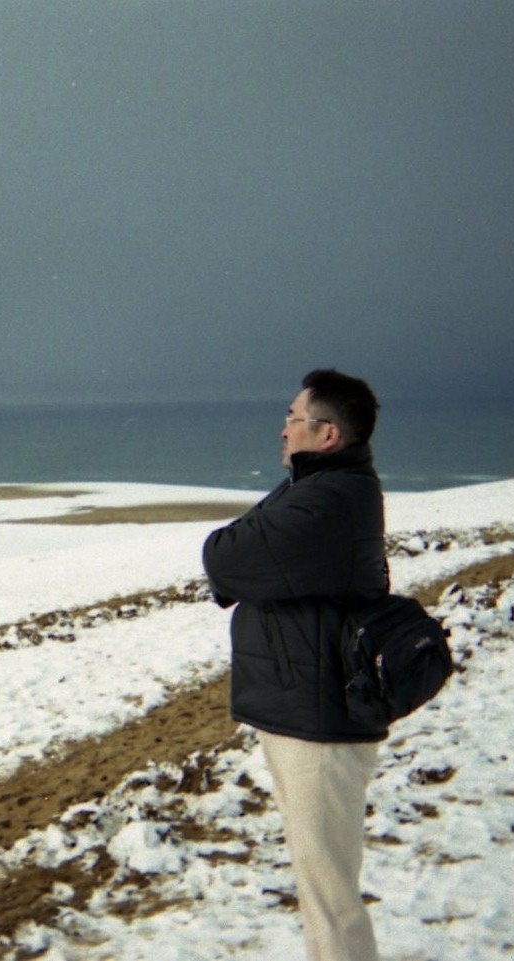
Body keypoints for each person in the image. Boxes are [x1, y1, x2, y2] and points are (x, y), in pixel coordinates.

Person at [202, 369, 389, 961]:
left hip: (320, 723)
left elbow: (226, 555)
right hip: (306, 709)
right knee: (321, 887)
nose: (282, 429)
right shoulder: (320, 487)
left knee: (330, 895)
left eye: (292, 417)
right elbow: (241, 548)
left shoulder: (329, 500)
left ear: (327, 434)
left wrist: (235, 543)